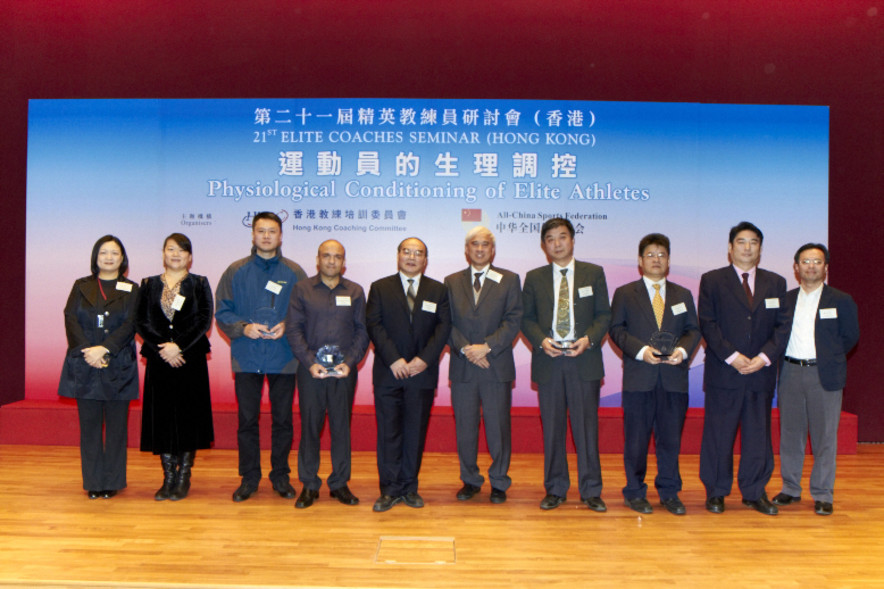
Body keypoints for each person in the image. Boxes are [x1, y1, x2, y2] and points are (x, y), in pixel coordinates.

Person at [698, 221, 791, 516]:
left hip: (760, 372)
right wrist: (732, 356)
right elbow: (707, 323)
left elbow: (782, 326)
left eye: (753, 242)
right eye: (741, 242)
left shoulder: (776, 282)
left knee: (757, 435)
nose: (747, 247)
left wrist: (764, 357)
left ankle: (754, 491)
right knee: (718, 435)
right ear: (730, 248)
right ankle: (716, 491)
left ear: (760, 249)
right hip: (724, 371)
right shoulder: (712, 280)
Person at [215, 212, 308, 502]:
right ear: (252, 235)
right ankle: (249, 477)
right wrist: (244, 327)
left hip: (283, 357)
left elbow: (306, 310)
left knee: (283, 420)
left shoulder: (294, 272)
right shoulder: (235, 271)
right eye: (261, 231)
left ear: (281, 237)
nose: (266, 236)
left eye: (272, 231)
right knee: (247, 420)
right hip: (247, 355)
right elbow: (222, 311)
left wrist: (287, 325)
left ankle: (280, 475)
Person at [521, 218, 611, 511]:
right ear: (543, 245)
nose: (557, 243)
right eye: (550, 239)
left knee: (586, 428)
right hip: (549, 361)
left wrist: (589, 339)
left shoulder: (593, 273)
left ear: (572, 240)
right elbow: (526, 318)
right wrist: (540, 341)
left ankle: (591, 490)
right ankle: (556, 488)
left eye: (562, 237)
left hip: (582, 359)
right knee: (553, 428)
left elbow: (603, 315)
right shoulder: (534, 277)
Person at [608, 233, 701, 515]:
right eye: (650, 255)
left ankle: (670, 492)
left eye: (661, 254)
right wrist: (641, 351)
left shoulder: (682, 294)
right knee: (636, 439)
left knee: (670, 439)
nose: (656, 259)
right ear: (640, 260)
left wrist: (682, 352)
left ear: (669, 260)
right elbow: (616, 330)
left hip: (673, 378)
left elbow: (693, 331)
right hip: (640, 376)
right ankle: (634, 491)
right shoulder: (625, 293)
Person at [772, 243, 859, 516]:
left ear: (826, 267)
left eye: (817, 262)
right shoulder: (784, 300)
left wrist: (829, 357)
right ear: (796, 267)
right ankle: (790, 489)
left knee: (824, 437)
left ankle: (823, 493)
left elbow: (850, 336)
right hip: (790, 373)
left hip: (824, 373)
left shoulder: (841, 300)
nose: (811, 266)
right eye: (806, 261)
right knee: (790, 434)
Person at [366, 237, 451, 512]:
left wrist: (424, 360)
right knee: (388, 433)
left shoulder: (438, 290)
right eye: (407, 252)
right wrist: (395, 359)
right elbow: (374, 325)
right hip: (389, 372)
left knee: (415, 433)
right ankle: (389, 490)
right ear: (398, 255)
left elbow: (443, 328)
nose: (412, 257)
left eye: (418, 253)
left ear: (425, 260)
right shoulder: (380, 288)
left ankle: (409, 487)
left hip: (421, 374)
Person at [286, 240, 369, 508]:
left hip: (344, 372)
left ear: (344, 261)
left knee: (341, 427)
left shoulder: (355, 291)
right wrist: (310, 362)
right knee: (310, 427)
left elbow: (362, 331)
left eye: (337, 257)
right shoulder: (302, 289)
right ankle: (309, 484)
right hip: (311, 371)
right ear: (317, 259)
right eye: (326, 256)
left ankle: (339, 483)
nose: (332, 261)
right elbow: (294, 330)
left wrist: (350, 362)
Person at [444, 226, 522, 504]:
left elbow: (514, 320)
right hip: (463, 366)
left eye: (485, 245)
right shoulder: (451, 281)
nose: (479, 249)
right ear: (467, 250)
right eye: (474, 244)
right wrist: (467, 349)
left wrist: (487, 346)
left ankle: (499, 481)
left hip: (495, 364)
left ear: (493, 249)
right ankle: (470, 480)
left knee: (497, 426)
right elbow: (446, 322)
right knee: (465, 427)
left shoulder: (510, 280)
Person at [58, 235, 139, 499]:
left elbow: (130, 324)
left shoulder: (131, 288)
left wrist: (105, 348)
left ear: (122, 258)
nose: (109, 257)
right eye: (103, 252)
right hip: (86, 364)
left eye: (114, 253)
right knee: (90, 428)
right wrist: (88, 351)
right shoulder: (81, 286)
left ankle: (112, 482)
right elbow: (71, 318)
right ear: (95, 257)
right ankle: (93, 482)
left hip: (118, 364)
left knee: (117, 429)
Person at [137, 233, 214, 501]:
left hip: (189, 358)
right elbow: (142, 321)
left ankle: (184, 477)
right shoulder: (147, 285)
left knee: (188, 416)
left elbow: (204, 320)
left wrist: (178, 346)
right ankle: (168, 476)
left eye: (182, 250)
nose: (176, 254)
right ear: (163, 253)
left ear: (190, 257)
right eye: (171, 249)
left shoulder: (199, 284)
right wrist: (164, 347)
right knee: (163, 418)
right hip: (160, 359)